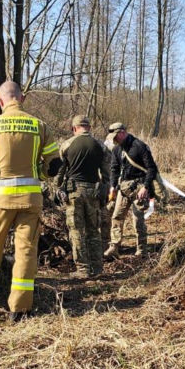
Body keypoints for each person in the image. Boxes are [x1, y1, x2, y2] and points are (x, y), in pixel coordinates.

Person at [0, 81, 61, 320]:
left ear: (1, 101)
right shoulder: (38, 125)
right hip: (31, 199)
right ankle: (20, 308)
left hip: (0, 200)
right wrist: (38, 175)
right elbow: (54, 165)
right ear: (22, 98)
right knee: (26, 251)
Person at [57, 114, 109, 278]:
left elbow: (59, 171)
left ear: (74, 128)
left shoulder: (67, 145)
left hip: (74, 193)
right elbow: (107, 173)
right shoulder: (100, 146)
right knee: (94, 230)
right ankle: (98, 268)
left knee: (77, 231)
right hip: (93, 191)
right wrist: (105, 190)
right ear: (89, 127)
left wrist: (58, 188)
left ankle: (83, 269)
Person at [104, 122, 158, 259]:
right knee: (116, 217)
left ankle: (141, 250)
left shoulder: (139, 146)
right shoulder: (117, 150)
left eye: (116, 136)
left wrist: (145, 187)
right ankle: (114, 247)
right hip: (123, 188)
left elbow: (152, 168)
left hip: (140, 187)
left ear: (122, 132)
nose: (114, 139)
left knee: (137, 220)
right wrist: (113, 187)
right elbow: (114, 170)